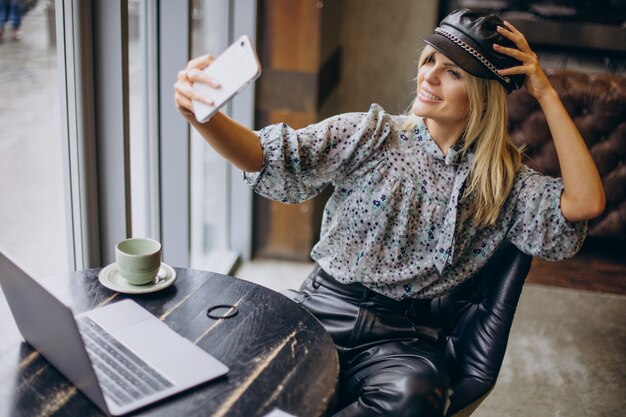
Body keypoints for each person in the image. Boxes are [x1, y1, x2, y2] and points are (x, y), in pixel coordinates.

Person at [174, 9, 605, 417]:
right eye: (430, 59)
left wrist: (545, 91)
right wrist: (204, 118)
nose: (429, 75)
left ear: (483, 94)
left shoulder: (501, 181)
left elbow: (585, 204)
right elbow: (268, 156)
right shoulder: (372, 134)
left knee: (417, 396)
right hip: (321, 306)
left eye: (452, 72)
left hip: (403, 338)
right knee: (225, 360)